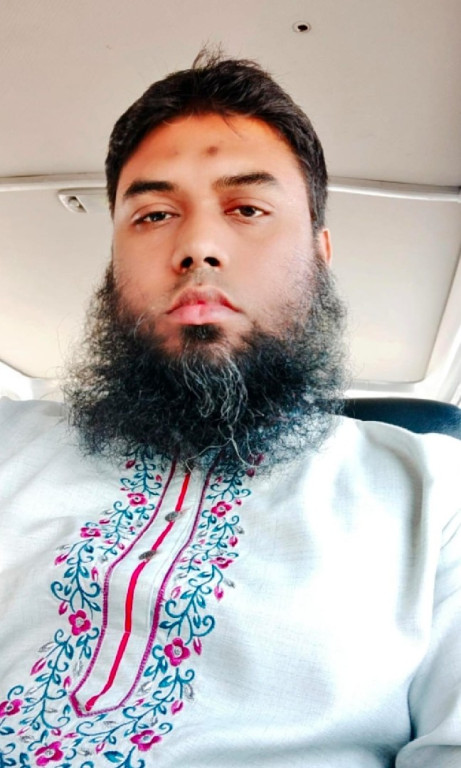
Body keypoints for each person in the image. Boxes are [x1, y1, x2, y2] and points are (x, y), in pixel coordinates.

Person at [0, 51, 460, 768]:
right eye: (154, 214)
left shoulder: (437, 495)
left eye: (246, 210)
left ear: (320, 253)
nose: (198, 247)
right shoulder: (10, 440)